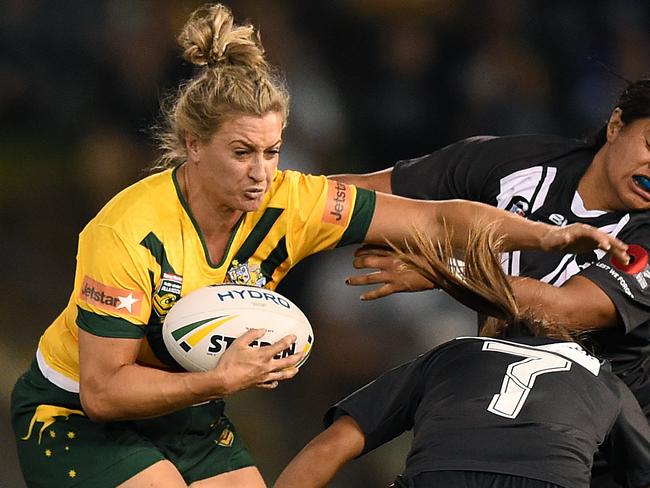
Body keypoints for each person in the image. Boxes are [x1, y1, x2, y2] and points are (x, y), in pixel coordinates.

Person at [10, 4, 629, 488]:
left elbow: (439, 222)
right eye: (241, 152)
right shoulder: (126, 232)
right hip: (76, 418)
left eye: (272, 151)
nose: (261, 172)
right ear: (193, 146)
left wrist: (547, 233)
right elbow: (104, 390)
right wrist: (222, 381)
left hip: (186, 409)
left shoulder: (292, 200)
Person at [333, 81, 650, 421]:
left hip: (610, 444)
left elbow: (563, 310)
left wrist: (440, 270)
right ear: (616, 125)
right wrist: (280, 203)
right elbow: (366, 193)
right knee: (347, 430)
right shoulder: (518, 164)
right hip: (505, 403)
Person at [273, 225, 650, 488]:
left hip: (442, 475)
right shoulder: (605, 381)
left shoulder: (454, 353)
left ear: (492, 325)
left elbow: (333, 445)